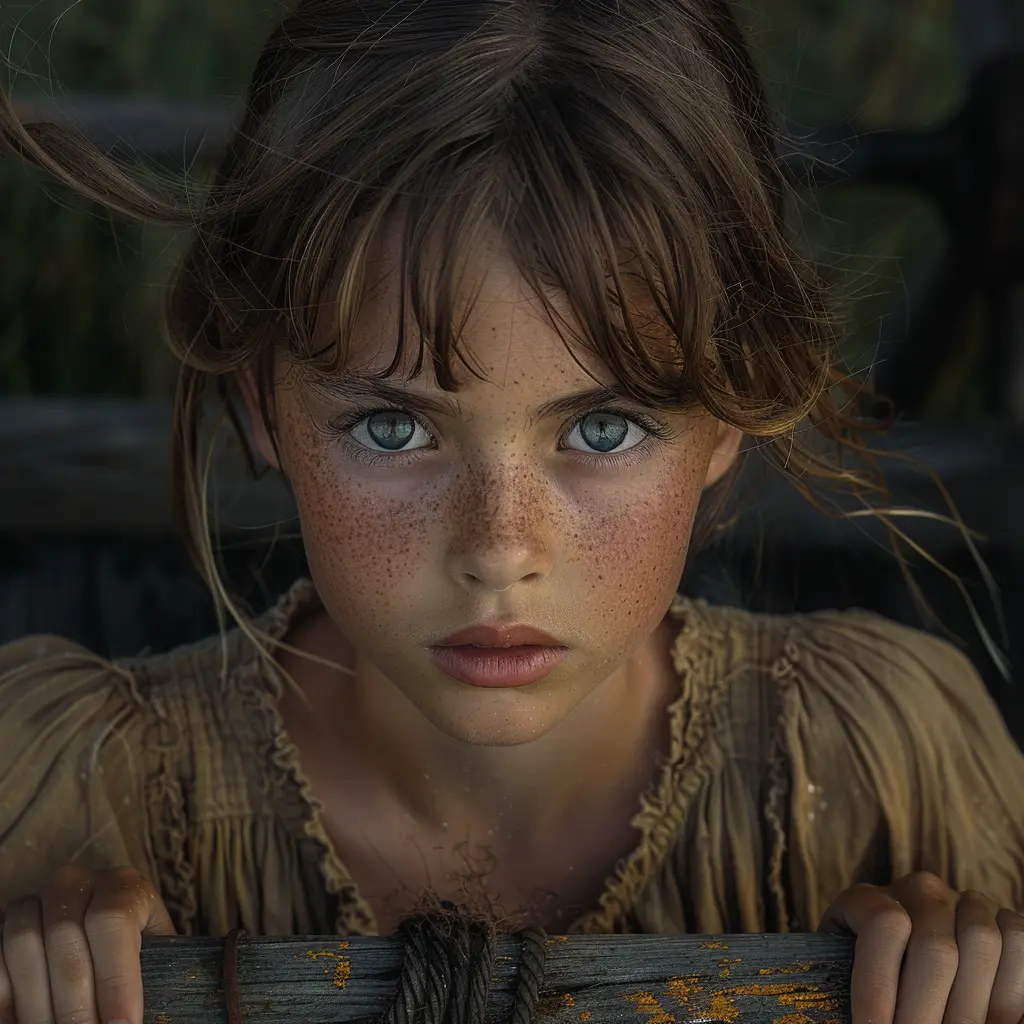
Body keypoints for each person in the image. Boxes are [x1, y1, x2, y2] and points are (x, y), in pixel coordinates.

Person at [1, 1, 1023, 1023]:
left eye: (606, 429)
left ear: (728, 411)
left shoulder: (879, 772)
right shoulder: (76, 797)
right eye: (395, 431)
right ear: (263, 407)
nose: (500, 549)